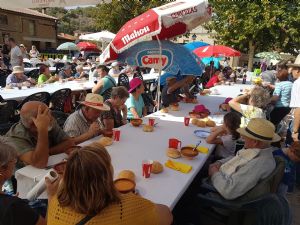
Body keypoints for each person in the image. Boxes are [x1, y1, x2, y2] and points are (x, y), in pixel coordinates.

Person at [46, 146, 173, 225]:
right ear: (107, 175)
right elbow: (167, 215)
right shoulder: (127, 207)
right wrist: (132, 200)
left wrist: (51, 195)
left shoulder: (56, 204)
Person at [208, 118, 279, 200]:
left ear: (255, 142)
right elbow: (237, 157)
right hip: (222, 177)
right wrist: (219, 163)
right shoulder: (256, 150)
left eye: (245, 136)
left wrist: (214, 173)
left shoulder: (258, 164)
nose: (242, 137)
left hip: (221, 199)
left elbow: (228, 191)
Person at [5, 101, 74, 169]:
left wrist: (47, 152)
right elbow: (40, 163)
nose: (52, 118)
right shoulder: (14, 137)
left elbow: (69, 143)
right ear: (33, 123)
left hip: (48, 166)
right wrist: (42, 130)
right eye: (46, 114)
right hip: (22, 175)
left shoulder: (49, 122)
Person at [0, 137, 46, 225]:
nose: (14, 163)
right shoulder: (13, 206)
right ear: (2, 169)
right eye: (13, 162)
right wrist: (52, 196)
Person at [286, 55, 300, 145]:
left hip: (298, 123)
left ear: (298, 70)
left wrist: (295, 131)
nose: (292, 71)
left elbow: (299, 108)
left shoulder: (298, 83)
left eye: (293, 69)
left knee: (292, 153)